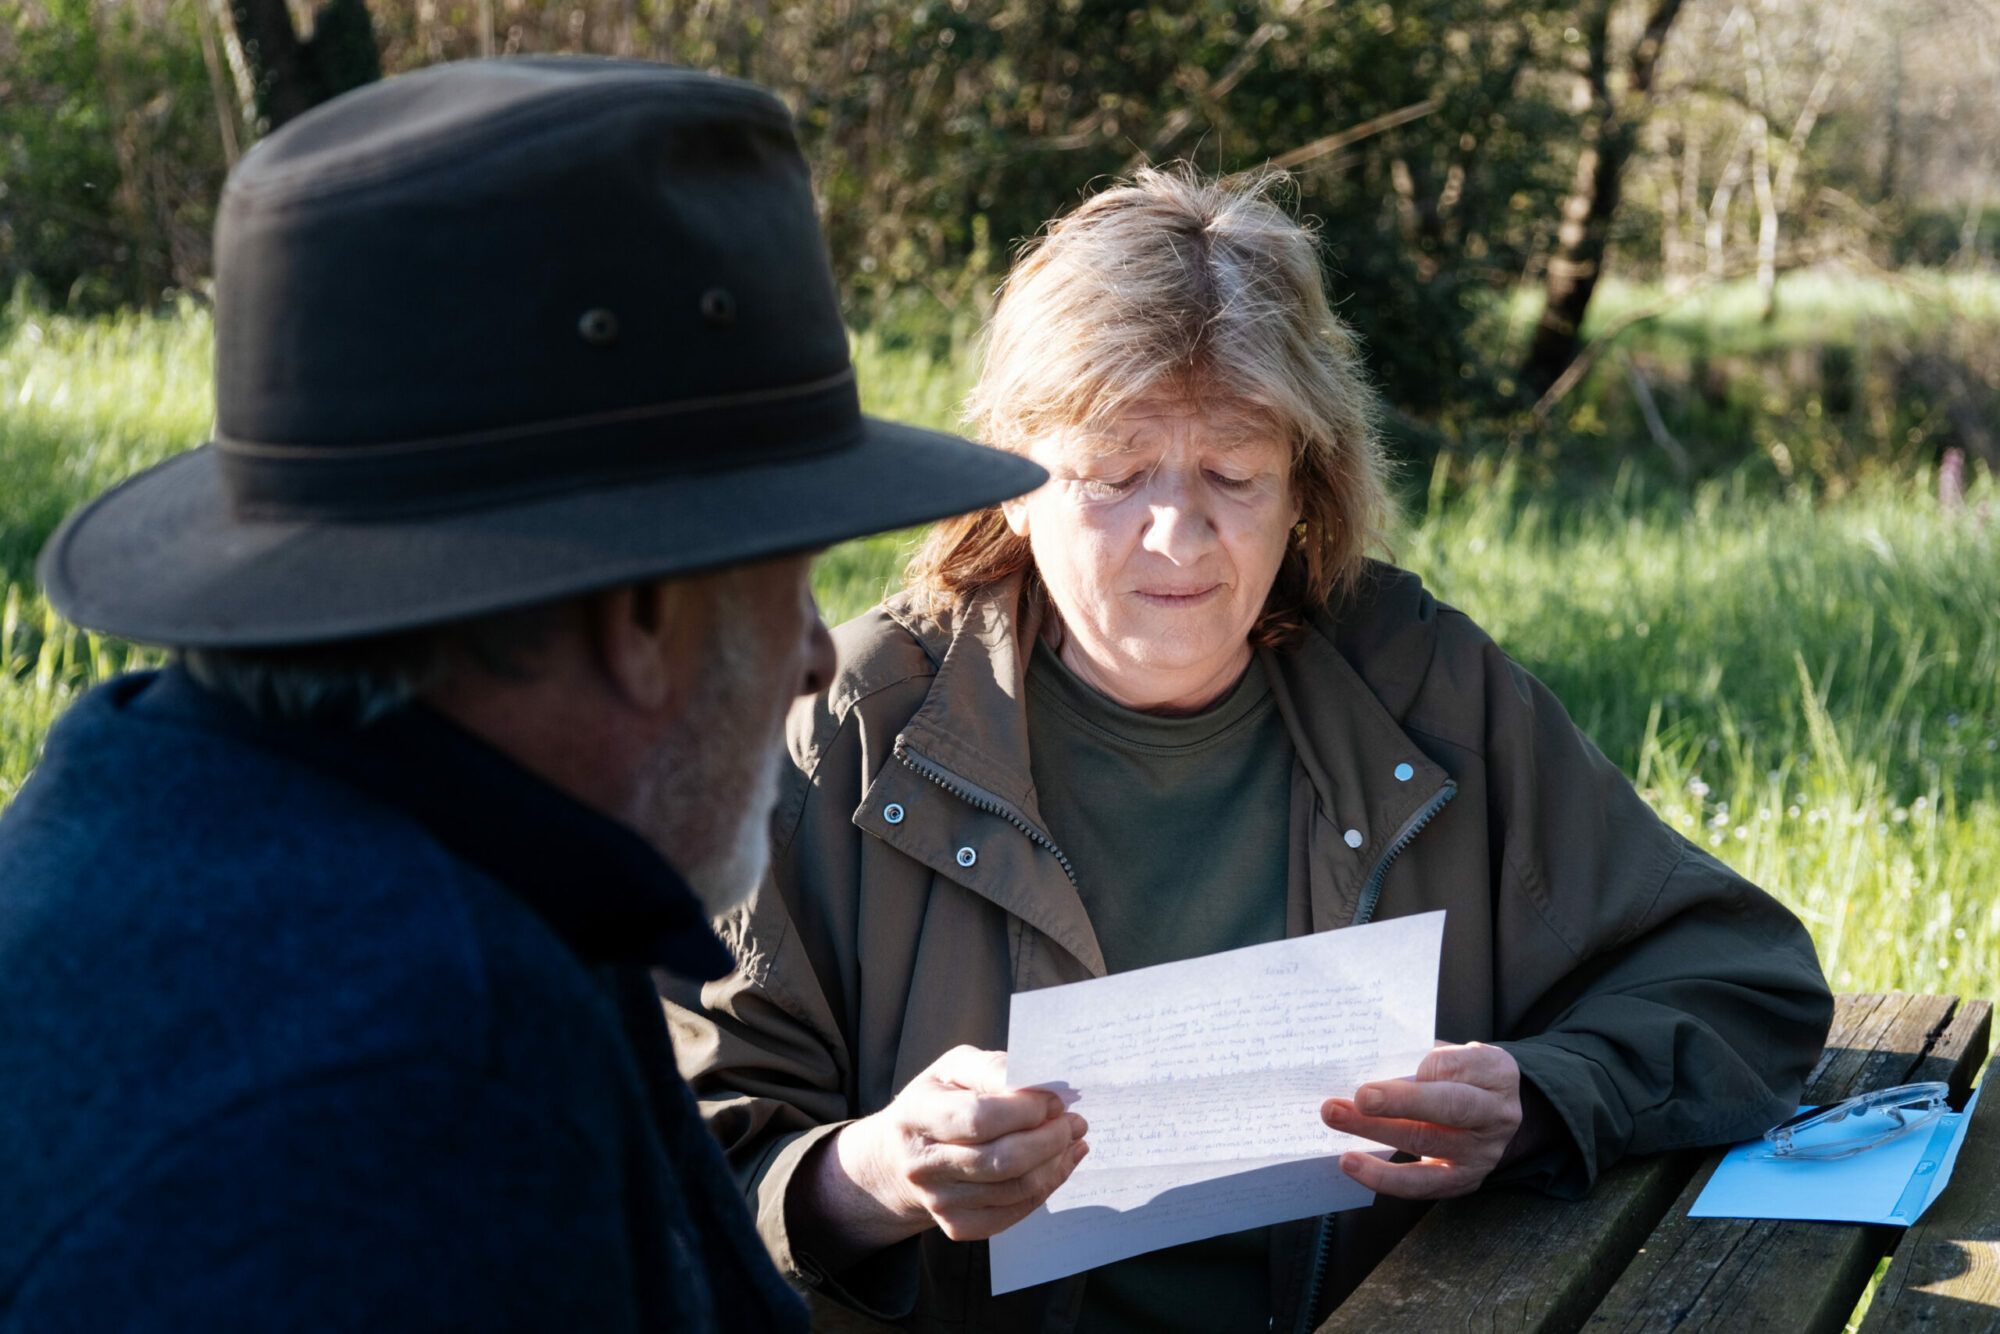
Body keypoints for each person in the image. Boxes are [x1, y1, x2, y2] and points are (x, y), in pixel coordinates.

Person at [664, 168, 1835, 1332]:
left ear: (1305, 491)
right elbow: (669, 1163)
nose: (1175, 533)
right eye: (1114, 474)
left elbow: (1742, 983)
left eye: (1231, 473)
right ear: (1011, 484)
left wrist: (1532, 1099)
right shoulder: (855, 720)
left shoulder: (1418, 683)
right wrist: (873, 1173)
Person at [0, 59, 1043, 1331]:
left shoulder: (159, 800)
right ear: (644, 612)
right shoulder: (422, 1084)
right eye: (793, 576)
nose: (817, 655)